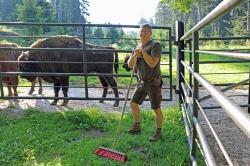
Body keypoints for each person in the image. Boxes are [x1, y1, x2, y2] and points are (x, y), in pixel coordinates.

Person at [127, 23, 163, 142]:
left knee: (156, 108)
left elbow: (153, 63)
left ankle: (158, 132)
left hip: (153, 82)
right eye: (141, 31)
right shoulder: (137, 46)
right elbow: (130, 65)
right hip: (141, 82)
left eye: (146, 31)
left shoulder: (155, 45)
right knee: (133, 103)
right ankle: (137, 126)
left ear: (150, 33)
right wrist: (135, 55)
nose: (143, 33)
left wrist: (143, 52)